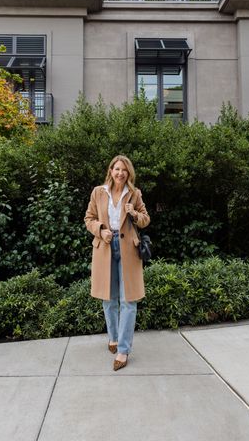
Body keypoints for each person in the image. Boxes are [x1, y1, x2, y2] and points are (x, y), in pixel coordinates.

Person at [84, 155, 150, 371]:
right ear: (111, 170)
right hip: (105, 247)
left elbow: (145, 219)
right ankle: (113, 337)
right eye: (117, 169)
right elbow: (88, 218)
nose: (120, 173)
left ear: (128, 173)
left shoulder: (134, 193)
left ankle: (123, 350)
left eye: (124, 170)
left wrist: (134, 213)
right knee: (108, 298)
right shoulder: (98, 192)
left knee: (128, 300)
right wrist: (101, 230)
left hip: (128, 250)